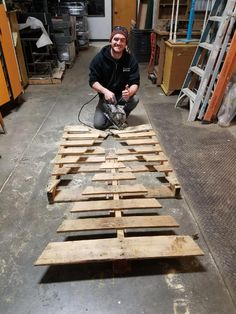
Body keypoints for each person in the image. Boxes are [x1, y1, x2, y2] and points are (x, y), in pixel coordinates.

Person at [89, 26, 140, 130]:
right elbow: (93, 81)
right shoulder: (99, 58)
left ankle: (120, 116)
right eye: (116, 39)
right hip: (107, 98)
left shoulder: (131, 60)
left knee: (134, 99)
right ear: (110, 40)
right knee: (99, 125)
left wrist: (129, 92)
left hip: (122, 97)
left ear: (126, 43)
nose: (119, 43)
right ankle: (112, 115)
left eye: (122, 40)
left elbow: (135, 82)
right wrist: (105, 91)